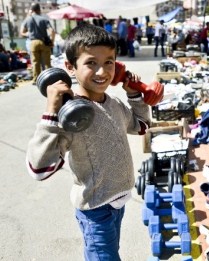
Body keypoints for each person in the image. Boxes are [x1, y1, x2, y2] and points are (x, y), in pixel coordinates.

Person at [26, 23, 163, 260]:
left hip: (117, 204)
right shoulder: (71, 115)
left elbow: (141, 126)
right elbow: (39, 168)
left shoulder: (114, 104)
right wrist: (51, 111)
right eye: (91, 63)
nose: (102, 72)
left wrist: (134, 93)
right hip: (96, 211)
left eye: (109, 62)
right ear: (70, 66)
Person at [20, 3, 54, 84]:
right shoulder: (44, 19)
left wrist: (29, 34)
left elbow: (22, 32)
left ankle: (36, 79)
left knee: (35, 62)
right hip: (44, 42)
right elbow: (52, 31)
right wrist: (52, 41)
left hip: (33, 42)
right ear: (39, 10)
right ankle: (49, 79)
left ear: (32, 10)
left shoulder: (27, 19)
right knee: (46, 62)